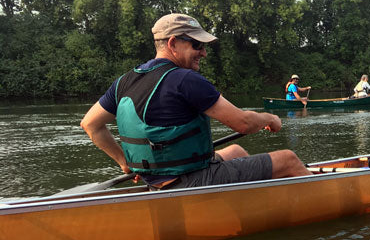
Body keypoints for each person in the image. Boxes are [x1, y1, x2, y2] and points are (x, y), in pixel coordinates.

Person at [81, 13, 311, 191]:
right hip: (191, 181)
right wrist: (270, 118)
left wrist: (125, 162)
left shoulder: (124, 81)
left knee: (237, 150)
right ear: (173, 43)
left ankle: (250, 202)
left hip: (157, 181)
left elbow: (90, 124)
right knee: (289, 160)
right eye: (196, 45)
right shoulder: (185, 80)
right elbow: (243, 123)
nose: (203, 53)